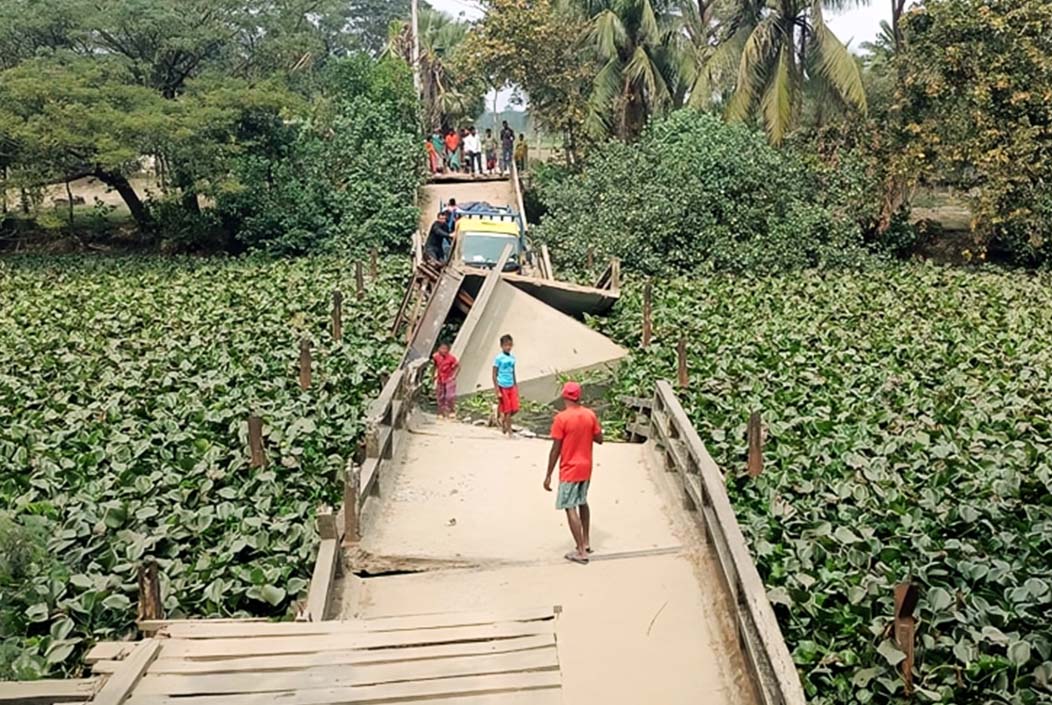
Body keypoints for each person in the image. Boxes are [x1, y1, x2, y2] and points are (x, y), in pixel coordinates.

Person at [544, 381, 603, 564]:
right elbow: (599, 439)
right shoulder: (589, 415)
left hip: (569, 468)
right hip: (586, 466)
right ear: (578, 397)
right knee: (582, 502)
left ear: (564, 397)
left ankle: (580, 552)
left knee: (570, 506)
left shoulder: (561, 419)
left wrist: (548, 474)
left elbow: (556, 449)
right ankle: (585, 542)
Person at [491, 334, 518, 436]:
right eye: (506, 345)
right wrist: (497, 390)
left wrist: (515, 385)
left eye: (510, 345)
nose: (508, 347)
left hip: (511, 385)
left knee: (515, 408)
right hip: (502, 385)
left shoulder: (512, 358)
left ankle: (503, 419)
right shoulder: (498, 358)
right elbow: (494, 374)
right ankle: (509, 431)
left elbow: (513, 372)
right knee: (507, 409)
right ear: (502, 346)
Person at [432, 341, 459, 419]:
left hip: (449, 379)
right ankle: (441, 412)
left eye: (445, 349)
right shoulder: (436, 357)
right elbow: (435, 366)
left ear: (448, 350)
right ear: (438, 349)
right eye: (442, 348)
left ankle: (451, 411)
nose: (443, 350)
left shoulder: (451, 358)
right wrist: (433, 374)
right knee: (440, 396)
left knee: (449, 396)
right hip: (440, 378)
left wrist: (454, 376)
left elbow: (458, 366)